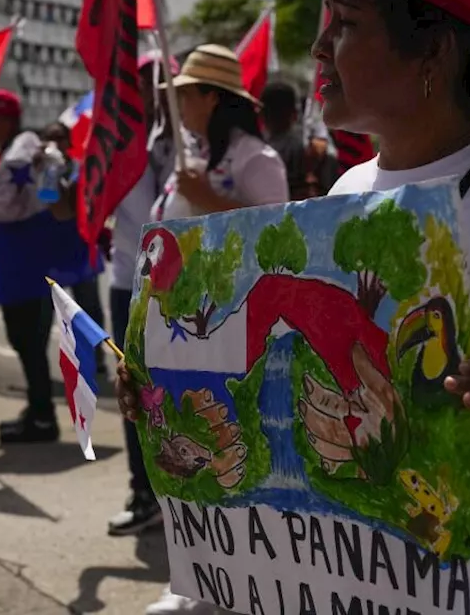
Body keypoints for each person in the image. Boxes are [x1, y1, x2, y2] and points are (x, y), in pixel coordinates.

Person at [126, 0, 470, 613]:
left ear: (435, 52)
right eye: (323, 23)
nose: (321, 47)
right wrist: (168, 396)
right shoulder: (349, 189)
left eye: (347, 24)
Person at [141, 44, 291, 614]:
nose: (174, 103)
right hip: (177, 338)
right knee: (182, 455)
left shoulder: (259, 160)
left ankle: (234, 587)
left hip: (233, 345)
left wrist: (212, 200)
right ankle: (197, 577)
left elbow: (276, 247)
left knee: (234, 457)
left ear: (209, 97)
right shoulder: (192, 158)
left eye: (183, 93)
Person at [0, 91, 104, 444]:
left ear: (5, 120)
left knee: (28, 339)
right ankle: (37, 407)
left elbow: (8, 207)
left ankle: (42, 417)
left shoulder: (19, 154)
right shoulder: (9, 153)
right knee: (26, 339)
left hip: (24, 265)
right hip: (20, 264)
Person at [107, 56, 175, 537]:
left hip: (170, 288)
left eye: (154, 85)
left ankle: (176, 498)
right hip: (125, 284)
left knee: (173, 398)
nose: (145, 95)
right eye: (137, 86)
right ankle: (143, 492)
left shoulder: (181, 147)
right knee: (134, 395)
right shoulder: (123, 143)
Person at [151, 44, 290, 221]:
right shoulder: (196, 151)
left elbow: (276, 226)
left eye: (185, 94)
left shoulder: (255, 157)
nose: (179, 104)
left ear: (211, 98)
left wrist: (207, 199)